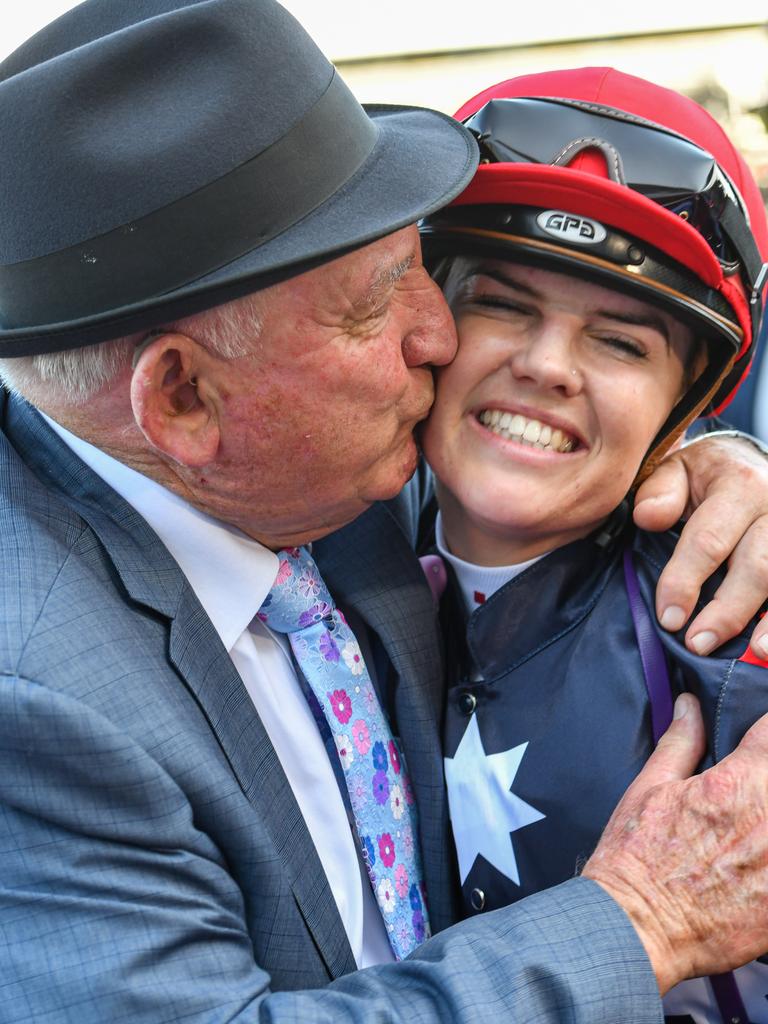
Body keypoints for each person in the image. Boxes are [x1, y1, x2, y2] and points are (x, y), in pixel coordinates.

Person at [2, 2, 768, 1020]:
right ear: (182, 399)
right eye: (374, 301)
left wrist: (717, 456)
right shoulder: (36, 697)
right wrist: (649, 917)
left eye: (421, 264)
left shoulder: (315, 472)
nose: (438, 334)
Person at [417, 67, 768, 1023]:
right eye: (501, 302)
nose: (544, 365)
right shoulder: (301, 560)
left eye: (621, 342)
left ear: (689, 408)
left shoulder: (735, 637)